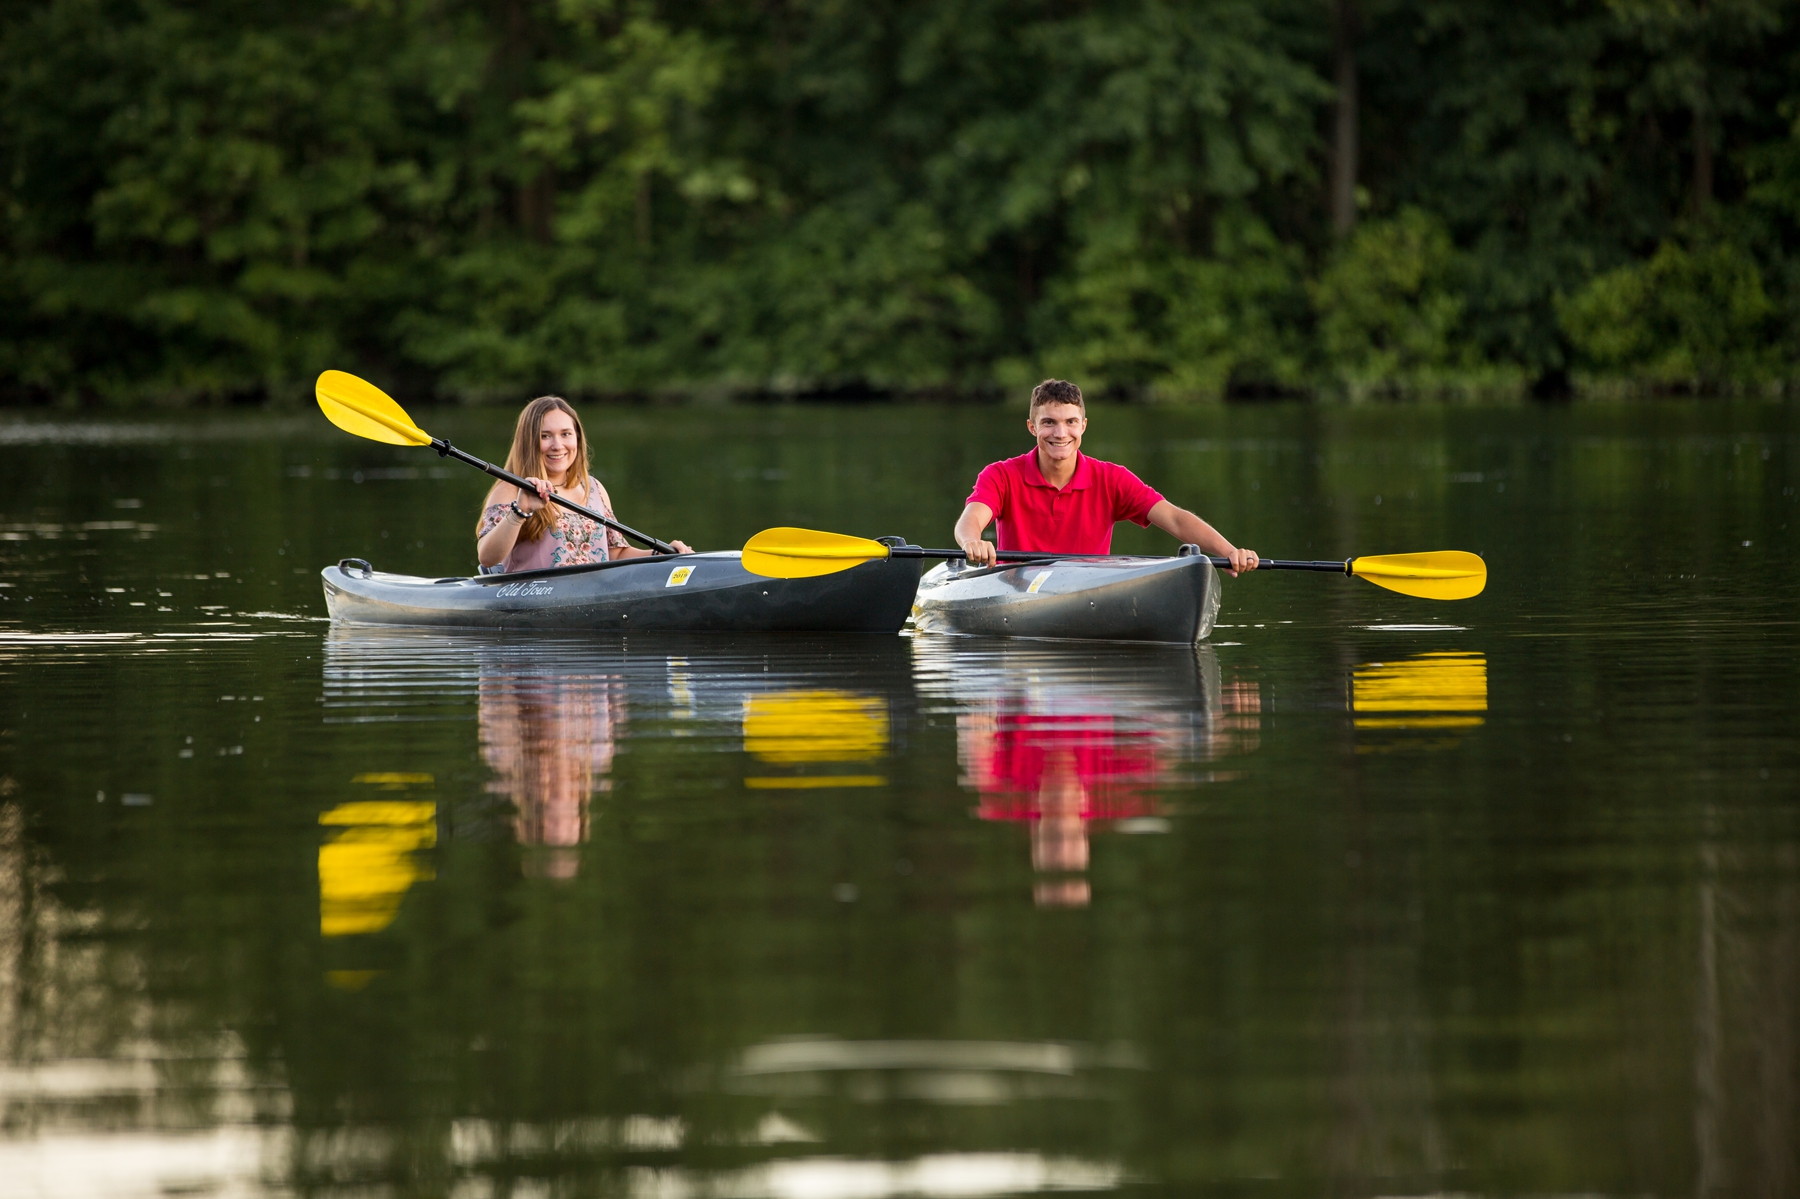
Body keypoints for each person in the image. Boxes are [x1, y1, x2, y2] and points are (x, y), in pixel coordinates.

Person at [952, 378, 1258, 574]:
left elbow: (1175, 519)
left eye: (1070, 422)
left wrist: (1230, 552)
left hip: (1090, 591)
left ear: (1083, 425)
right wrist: (972, 542)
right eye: (1049, 423)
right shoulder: (1001, 474)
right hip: (1016, 590)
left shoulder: (1112, 478)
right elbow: (972, 519)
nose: (1061, 433)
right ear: (1032, 427)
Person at [476, 396, 691, 573]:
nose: (557, 445)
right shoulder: (511, 490)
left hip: (592, 596)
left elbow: (615, 553)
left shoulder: (593, 488)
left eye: (566, 434)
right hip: (535, 601)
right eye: (545, 436)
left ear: (577, 438)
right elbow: (487, 558)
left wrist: (660, 555)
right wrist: (520, 511)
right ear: (528, 442)